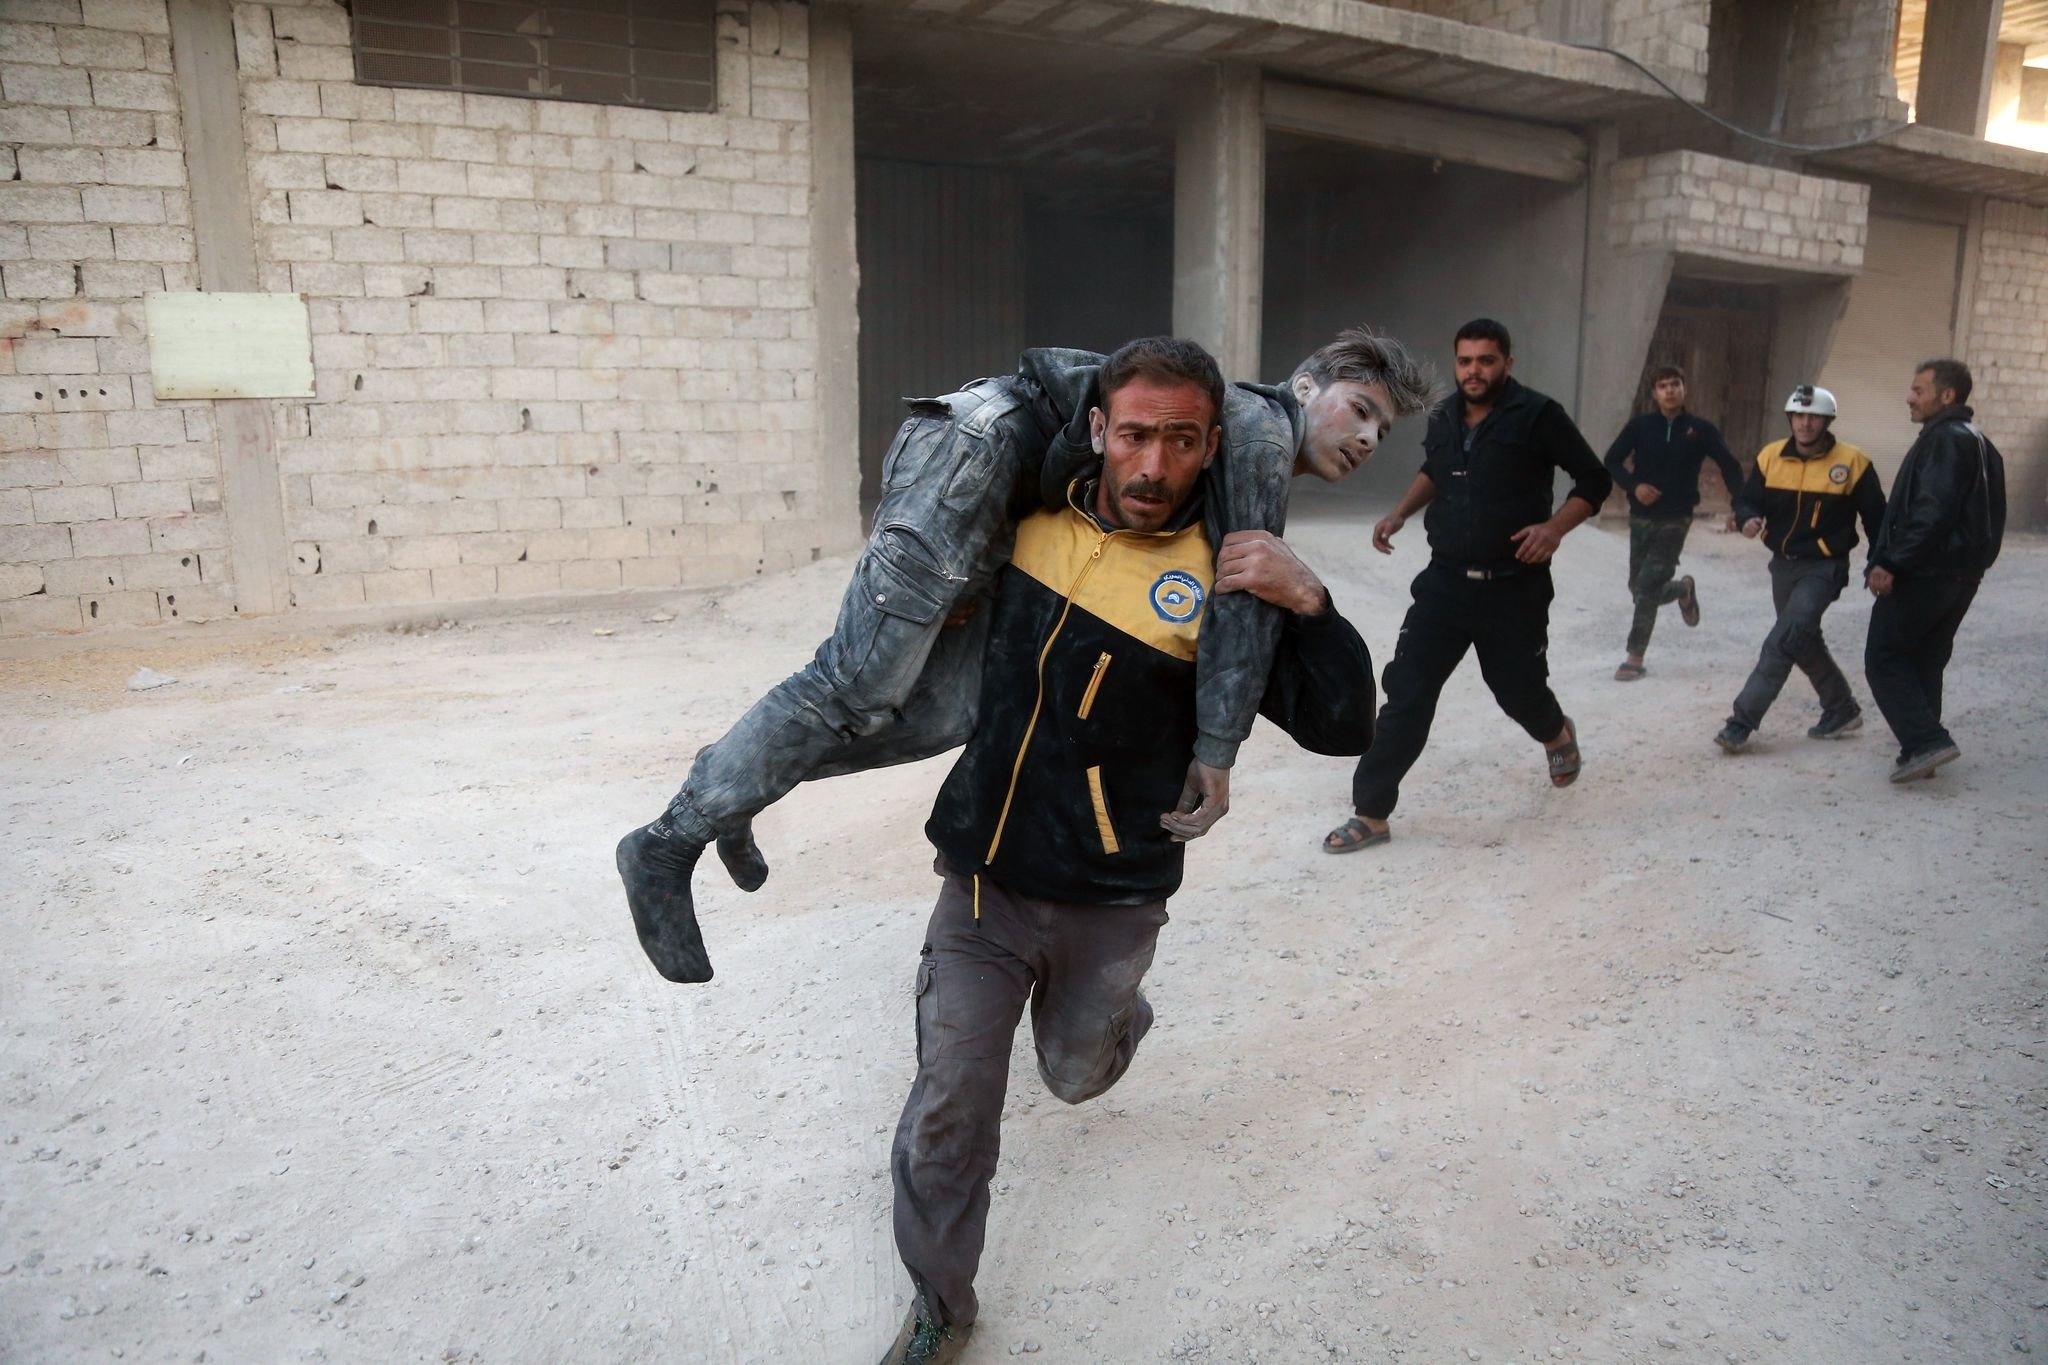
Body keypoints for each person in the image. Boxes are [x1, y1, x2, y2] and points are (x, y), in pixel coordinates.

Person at [617, 331, 1435, 982]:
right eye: (1358, 407)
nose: (1366, 436)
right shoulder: (1255, 430)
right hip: (970, 449)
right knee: (853, 686)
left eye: (1382, 428)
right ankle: (668, 839)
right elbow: (1241, 604)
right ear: (1304, 390)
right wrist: (1216, 753)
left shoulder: (1238, 442)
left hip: (991, 476)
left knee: (943, 710)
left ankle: (737, 782)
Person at [882, 337, 1376, 1364]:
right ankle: (940, 1306)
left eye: (1182, 441)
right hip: (983, 882)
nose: (1153, 467)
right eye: (1137, 435)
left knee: (1070, 1076)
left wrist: (1308, 599)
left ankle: (1115, 1024)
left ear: (1214, 449)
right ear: (1100, 431)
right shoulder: (1025, 522)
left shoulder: (1225, 578)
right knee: (947, 1107)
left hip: (1113, 894)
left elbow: (1343, 725)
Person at [1323, 318, 1611, 854]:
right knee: (1407, 693)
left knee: (1517, 689)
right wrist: (1400, 513)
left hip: (1514, 587)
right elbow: (1437, 467)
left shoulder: (1538, 416)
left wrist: (1553, 529)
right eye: (1465, 361)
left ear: (1507, 363)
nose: (1473, 371)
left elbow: (1595, 481)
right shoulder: (1447, 414)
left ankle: (1555, 733)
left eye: (1485, 360)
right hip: (1445, 584)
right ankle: (1372, 813)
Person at [1713, 385, 1884, 754]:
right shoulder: (1771, 456)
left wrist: (1880, 563)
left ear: (1827, 421)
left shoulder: (1853, 463)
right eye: (1799, 416)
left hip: (1824, 566)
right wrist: (1746, 518)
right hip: (1782, 565)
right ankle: (1841, 709)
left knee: (1783, 640)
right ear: (1790, 419)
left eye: (1814, 417)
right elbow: (1748, 500)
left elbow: (1878, 520)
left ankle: (1741, 722)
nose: (1805, 423)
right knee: (1802, 639)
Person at [1863, 358, 2006, 783]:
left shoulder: (1945, 440)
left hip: (1927, 571)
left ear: (1947, 395)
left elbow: (1932, 511)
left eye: (1919, 390)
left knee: (1885, 657)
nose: (1910, 397)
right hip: (1961, 575)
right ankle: (1923, 749)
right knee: (1924, 657)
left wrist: (1892, 561)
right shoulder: (1981, 442)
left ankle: (1925, 741)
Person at [1602, 364, 1743, 680]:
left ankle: (1634, 657)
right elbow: (1611, 460)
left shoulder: (1700, 429)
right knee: (1638, 588)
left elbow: (1729, 465)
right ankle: (1682, 590)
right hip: (1640, 517)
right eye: (1663, 386)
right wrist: (1633, 486)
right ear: (1654, 393)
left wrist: (1741, 504)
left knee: (1649, 583)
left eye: (1675, 384)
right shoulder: (1640, 426)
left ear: (1684, 389)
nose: (1670, 390)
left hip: (1676, 517)